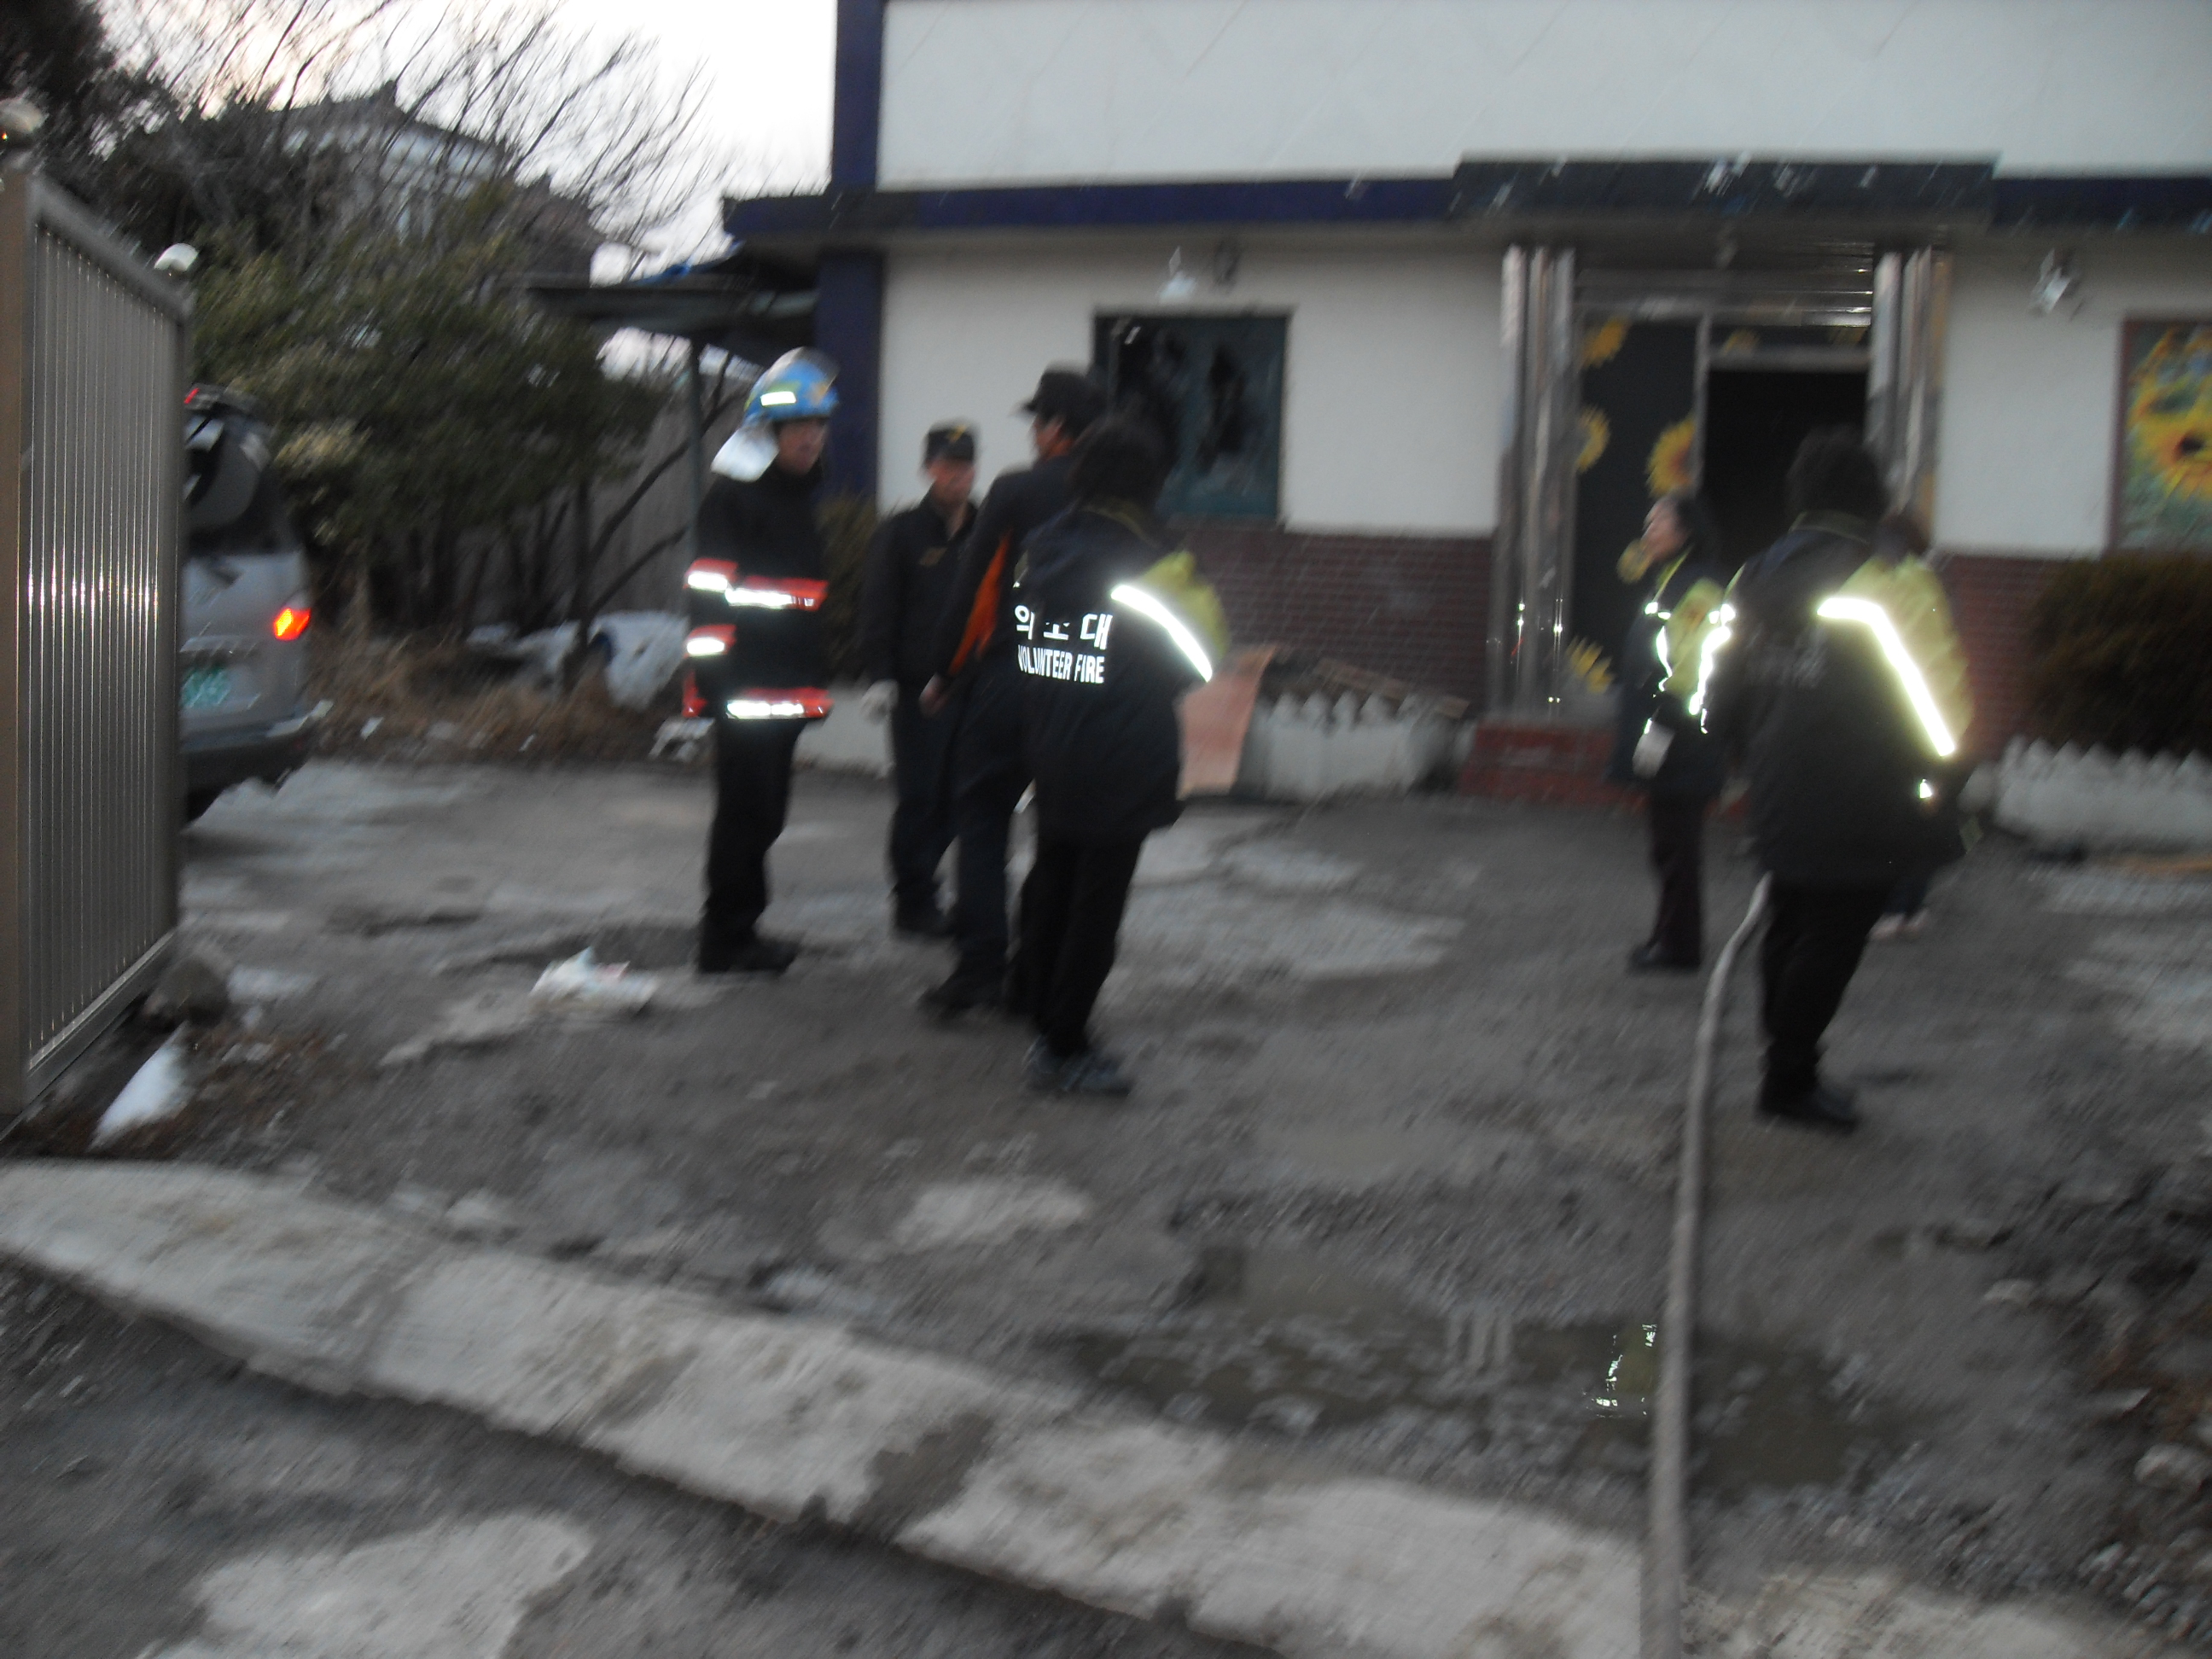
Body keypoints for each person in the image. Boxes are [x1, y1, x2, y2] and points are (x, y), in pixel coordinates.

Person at [1704, 428, 1970, 1132]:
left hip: (1777, 784)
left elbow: (1718, 689)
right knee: (1833, 936)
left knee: (1788, 921)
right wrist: (1945, 778)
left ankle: (1783, 1064)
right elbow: (1939, 704)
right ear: (1868, 495)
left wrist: (1742, 752)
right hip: (1862, 793)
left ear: (1801, 496)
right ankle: (1789, 1079)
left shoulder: (1754, 575)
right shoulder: (1890, 580)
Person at [1009, 417, 1226, 1094]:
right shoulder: (1157, 567)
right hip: (1120, 754)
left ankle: (1036, 1007)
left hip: (1050, 741)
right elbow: (1204, 658)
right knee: (1095, 908)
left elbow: (1022, 643)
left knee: (1052, 884)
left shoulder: (1038, 550)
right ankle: (1064, 1046)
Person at [915, 367, 1107, 1018]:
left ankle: (980, 967)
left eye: (1037, 422)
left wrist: (946, 672)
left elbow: (979, 589)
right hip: (1085, 688)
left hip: (1011, 680)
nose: (1032, 434)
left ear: (1056, 428)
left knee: (983, 821)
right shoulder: (1118, 497)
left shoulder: (1018, 491)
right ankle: (1039, 976)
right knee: (1062, 836)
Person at [684, 350, 840, 975]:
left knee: (765, 815)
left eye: (818, 424)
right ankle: (725, 939)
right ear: (767, 431)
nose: (811, 436)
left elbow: (798, 602)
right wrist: (714, 683)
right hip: (744, 689)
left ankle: (741, 929)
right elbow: (708, 593)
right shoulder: (734, 499)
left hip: (783, 689)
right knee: (745, 816)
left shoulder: (794, 499)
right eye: (799, 425)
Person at [857, 422, 978, 938]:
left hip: (971, 686)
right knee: (920, 796)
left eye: (964, 467)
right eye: (947, 466)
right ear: (929, 468)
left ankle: (937, 890)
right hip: (918, 691)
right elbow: (879, 607)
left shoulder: (986, 529)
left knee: (960, 797)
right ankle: (913, 901)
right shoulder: (903, 533)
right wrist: (879, 675)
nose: (957, 477)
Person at [1606, 491, 1728, 972]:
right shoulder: (1672, 582)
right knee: (1667, 846)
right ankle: (1668, 938)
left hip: (1682, 739)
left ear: (1685, 532)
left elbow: (1692, 666)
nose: (1648, 531)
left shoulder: (1697, 588)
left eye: (1658, 523)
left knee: (1678, 847)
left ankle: (1679, 948)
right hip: (1670, 734)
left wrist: (1661, 725)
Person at [1863, 510, 1975, 941]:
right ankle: (1912, 908)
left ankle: (1895, 908)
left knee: (1900, 815)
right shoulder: (1936, 581)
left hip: (1913, 719)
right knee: (1928, 811)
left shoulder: (1900, 582)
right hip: (1949, 717)